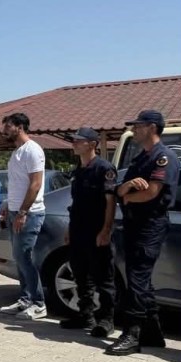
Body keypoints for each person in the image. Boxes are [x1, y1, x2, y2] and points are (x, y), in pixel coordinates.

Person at [107, 110, 180, 356]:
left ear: (151, 127)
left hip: (150, 225)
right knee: (141, 281)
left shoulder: (164, 157)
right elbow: (119, 188)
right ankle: (153, 333)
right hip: (134, 224)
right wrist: (126, 188)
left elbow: (151, 192)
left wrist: (126, 198)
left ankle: (132, 333)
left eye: (137, 126)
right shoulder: (141, 158)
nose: (134, 129)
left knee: (137, 279)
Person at [60, 128, 119, 334]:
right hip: (78, 230)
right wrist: (69, 229)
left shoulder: (104, 169)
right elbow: (75, 204)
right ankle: (85, 316)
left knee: (103, 276)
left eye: (79, 141)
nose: (74, 144)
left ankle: (107, 320)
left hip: (96, 230)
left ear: (92, 144)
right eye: (74, 141)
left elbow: (110, 202)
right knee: (81, 275)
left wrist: (106, 230)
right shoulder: (79, 170)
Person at [0, 113, 48, 320]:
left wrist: (23, 212)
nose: (4, 130)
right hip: (14, 211)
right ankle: (25, 299)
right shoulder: (17, 152)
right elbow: (18, 185)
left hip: (29, 213)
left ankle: (39, 303)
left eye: (7, 126)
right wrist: (8, 205)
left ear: (19, 127)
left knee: (25, 258)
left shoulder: (33, 150)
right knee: (19, 259)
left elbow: (35, 184)